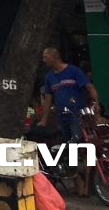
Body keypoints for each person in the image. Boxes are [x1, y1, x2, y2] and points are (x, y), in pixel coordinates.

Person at [38, 46, 103, 197]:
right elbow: (48, 99)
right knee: (68, 150)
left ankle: (86, 184)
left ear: (54, 57)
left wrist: (96, 106)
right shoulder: (49, 77)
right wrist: (43, 120)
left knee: (81, 147)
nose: (43, 60)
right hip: (62, 118)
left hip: (78, 117)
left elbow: (90, 88)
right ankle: (77, 184)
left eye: (45, 57)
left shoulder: (73, 71)